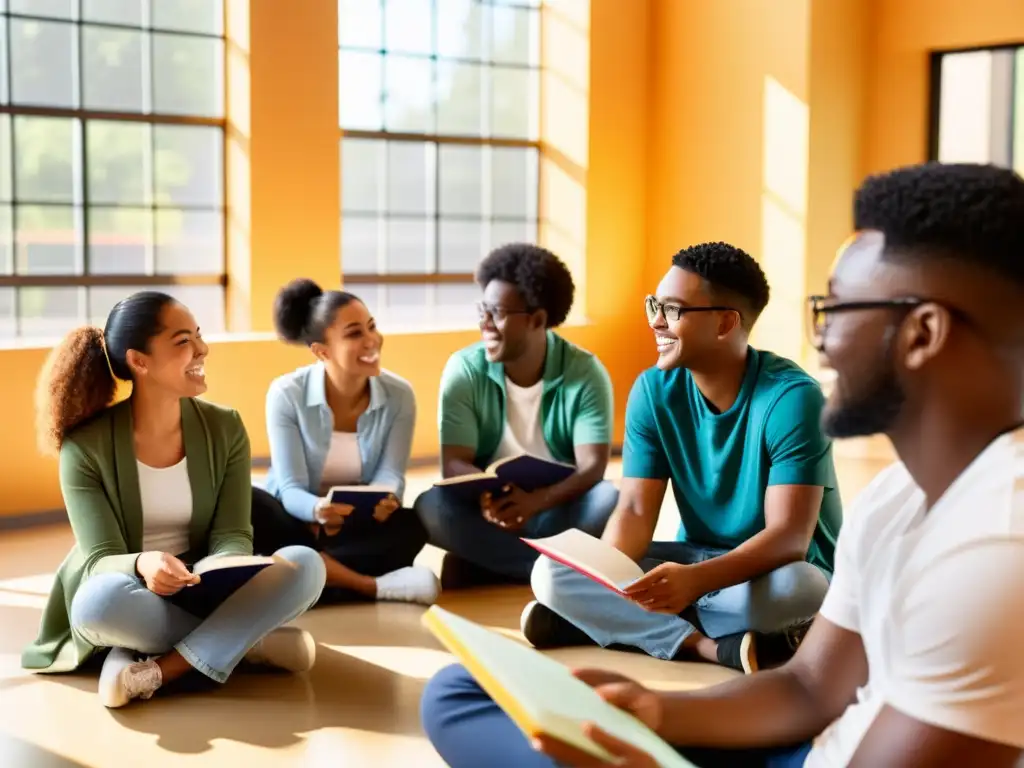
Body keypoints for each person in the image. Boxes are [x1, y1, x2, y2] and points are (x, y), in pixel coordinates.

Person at [419, 162, 1024, 767]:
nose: (822, 340)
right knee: (460, 690)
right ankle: (700, 645)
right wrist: (655, 712)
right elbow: (809, 687)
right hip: (811, 739)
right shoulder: (893, 499)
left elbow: (790, 541)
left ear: (923, 333)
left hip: (779, 619)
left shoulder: (998, 546)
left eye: (836, 309)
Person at [519, 242, 841, 673]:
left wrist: (690, 585)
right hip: (695, 560)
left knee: (796, 591)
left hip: (778, 569)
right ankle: (707, 646)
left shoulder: (793, 399)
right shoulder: (653, 391)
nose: (655, 321)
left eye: (672, 309)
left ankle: (603, 625)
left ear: (726, 322)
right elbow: (633, 509)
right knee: (550, 574)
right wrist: (613, 580)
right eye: (654, 304)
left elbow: (788, 537)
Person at [21, 291, 327, 709]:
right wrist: (143, 562)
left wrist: (224, 566)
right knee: (96, 604)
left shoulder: (226, 427)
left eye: (198, 335)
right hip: (130, 588)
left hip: (201, 583)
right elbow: (99, 559)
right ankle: (251, 644)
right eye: (183, 341)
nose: (203, 349)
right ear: (140, 361)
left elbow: (233, 532)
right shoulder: (84, 447)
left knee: (306, 564)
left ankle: (157, 669)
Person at [415, 243, 619, 587]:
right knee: (429, 507)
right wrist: (490, 500)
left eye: (496, 312)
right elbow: (453, 462)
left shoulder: (585, 372)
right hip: (490, 512)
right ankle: (550, 572)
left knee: (610, 499)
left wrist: (536, 501)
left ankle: (488, 564)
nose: (485, 322)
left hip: (557, 507)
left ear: (537, 319)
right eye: (483, 309)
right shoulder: (464, 370)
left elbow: (592, 467)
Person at [252, 278, 439, 605]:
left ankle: (305, 581)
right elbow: (290, 486)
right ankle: (369, 586)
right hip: (296, 521)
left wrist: (386, 500)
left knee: (414, 523)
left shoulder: (399, 395)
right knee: (250, 503)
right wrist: (317, 511)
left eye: (372, 327)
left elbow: (392, 475)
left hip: (357, 524)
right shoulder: (287, 394)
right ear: (321, 351)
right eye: (355, 333)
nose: (372, 340)